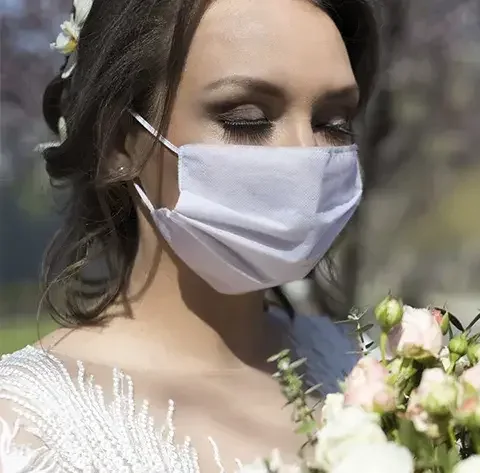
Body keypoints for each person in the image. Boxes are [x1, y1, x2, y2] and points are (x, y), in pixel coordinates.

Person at [0, 0, 378, 471]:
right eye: (246, 119)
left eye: (333, 123)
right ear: (120, 141)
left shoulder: (372, 372)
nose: (306, 157)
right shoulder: (23, 428)